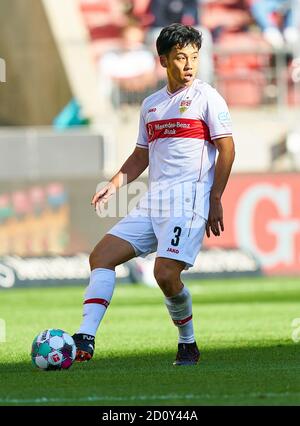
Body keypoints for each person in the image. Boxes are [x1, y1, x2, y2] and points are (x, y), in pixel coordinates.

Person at [72, 24, 235, 366]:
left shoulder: (207, 97)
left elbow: (227, 149)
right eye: (181, 58)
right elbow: (141, 155)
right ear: (163, 61)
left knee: (164, 274)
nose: (189, 65)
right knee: (100, 257)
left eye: (194, 57)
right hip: (152, 203)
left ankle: (187, 344)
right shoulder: (152, 105)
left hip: (188, 202)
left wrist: (215, 197)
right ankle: (85, 337)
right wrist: (114, 184)